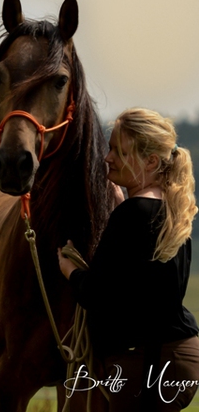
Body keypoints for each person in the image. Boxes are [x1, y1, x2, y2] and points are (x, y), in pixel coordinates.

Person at [58, 108, 199, 412]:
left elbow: (96, 293)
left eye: (119, 151)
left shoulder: (131, 214)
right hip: (182, 356)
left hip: (145, 361)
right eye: (109, 148)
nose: (108, 158)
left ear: (151, 161)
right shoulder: (173, 210)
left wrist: (71, 270)